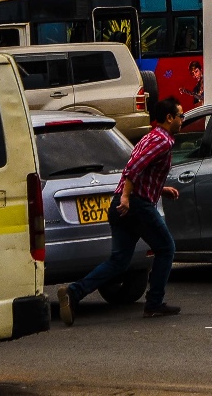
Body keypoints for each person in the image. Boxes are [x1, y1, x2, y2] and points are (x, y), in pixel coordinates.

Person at [60, 96, 182, 323]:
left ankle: (74, 292)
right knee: (166, 248)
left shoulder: (149, 136)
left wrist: (160, 189)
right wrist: (127, 196)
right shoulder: (163, 141)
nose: (182, 120)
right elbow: (133, 166)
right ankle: (154, 303)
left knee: (119, 261)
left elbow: (141, 168)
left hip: (124, 203)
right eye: (180, 116)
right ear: (169, 118)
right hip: (136, 205)